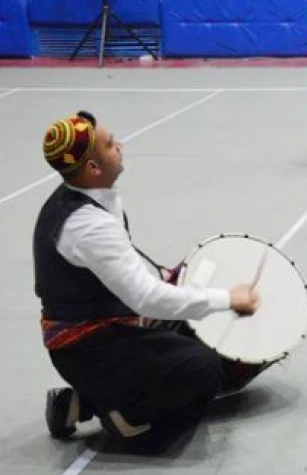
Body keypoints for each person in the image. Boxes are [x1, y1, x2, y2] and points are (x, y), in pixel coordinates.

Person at [35, 111, 259, 450]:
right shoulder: (86, 225)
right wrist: (228, 299)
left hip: (103, 327)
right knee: (204, 366)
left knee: (188, 314)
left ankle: (80, 404)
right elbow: (145, 298)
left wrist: (174, 280)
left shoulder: (85, 200)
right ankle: (129, 417)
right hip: (89, 348)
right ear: (93, 168)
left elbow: (124, 273)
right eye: (111, 145)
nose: (120, 145)